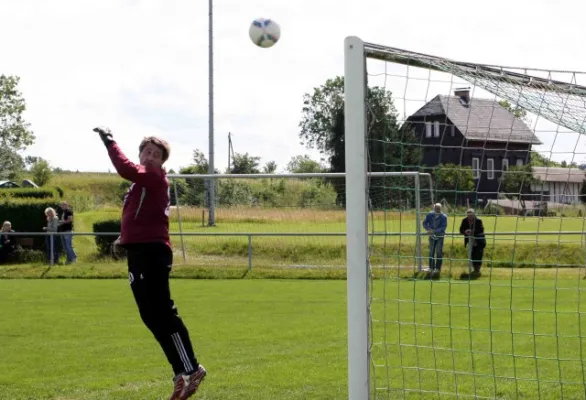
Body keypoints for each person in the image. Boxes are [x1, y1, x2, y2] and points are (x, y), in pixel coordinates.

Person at [93, 126, 206, 400]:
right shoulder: (140, 184)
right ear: (141, 153)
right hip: (139, 252)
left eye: (157, 154)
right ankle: (180, 371)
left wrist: (109, 142)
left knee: (162, 312)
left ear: (161, 161)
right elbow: (139, 216)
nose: (151, 156)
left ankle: (192, 367)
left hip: (153, 252)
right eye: (147, 151)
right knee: (150, 315)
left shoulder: (152, 175)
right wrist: (124, 238)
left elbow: (125, 169)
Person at [459, 208, 486, 278]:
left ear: (474, 215)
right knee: (472, 255)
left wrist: (472, 231)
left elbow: (481, 229)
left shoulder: (478, 220)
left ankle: (477, 270)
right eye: (469, 215)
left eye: (471, 215)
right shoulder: (464, 221)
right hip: (470, 241)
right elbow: (461, 229)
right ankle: (474, 270)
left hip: (479, 241)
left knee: (479, 255)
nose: (470, 216)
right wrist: (465, 231)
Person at [422, 203, 448, 277]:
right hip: (431, 236)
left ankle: (438, 269)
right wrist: (428, 229)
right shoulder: (429, 214)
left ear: (441, 209)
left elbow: (443, 227)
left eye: (438, 209)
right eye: (436, 208)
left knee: (439, 252)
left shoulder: (444, 217)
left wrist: (434, 231)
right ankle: (431, 268)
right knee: (431, 252)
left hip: (440, 236)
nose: (437, 210)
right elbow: (424, 223)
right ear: (434, 208)